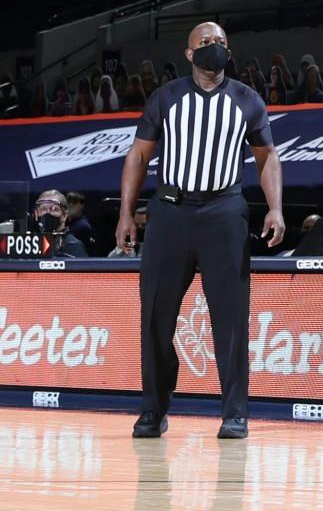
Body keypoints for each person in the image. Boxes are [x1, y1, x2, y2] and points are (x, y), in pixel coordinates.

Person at [118, 22, 284, 440]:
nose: (214, 49)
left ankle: (235, 413)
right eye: (205, 43)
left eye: (221, 43)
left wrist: (276, 208)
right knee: (156, 316)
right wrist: (125, 214)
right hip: (170, 212)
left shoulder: (247, 100)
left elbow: (267, 159)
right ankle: (154, 408)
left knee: (230, 319)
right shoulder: (167, 97)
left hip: (223, 213)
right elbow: (138, 157)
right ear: (189, 54)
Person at [31, 190, 86, 257]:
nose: (48, 213)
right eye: (43, 209)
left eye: (54, 209)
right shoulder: (33, 245)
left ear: (64, 215)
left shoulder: (72, 245)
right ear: (36, 214)